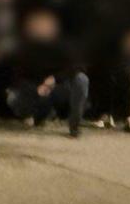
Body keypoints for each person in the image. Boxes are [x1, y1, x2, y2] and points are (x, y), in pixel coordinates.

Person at [7, 7, 88, 137]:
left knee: (81, 79)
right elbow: (17, 77)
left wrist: (54, 79)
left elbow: (79, 66)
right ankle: (38, 115)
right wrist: (38, 89)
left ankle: (74, 126)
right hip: (35, 90)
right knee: (12, 98)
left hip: (58, 88)